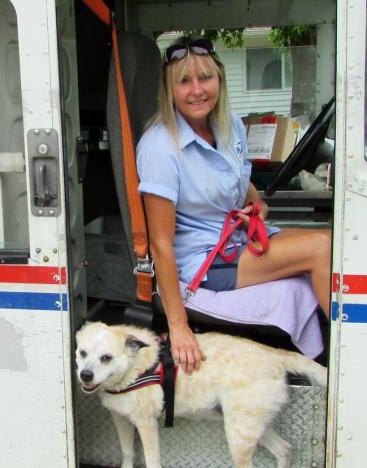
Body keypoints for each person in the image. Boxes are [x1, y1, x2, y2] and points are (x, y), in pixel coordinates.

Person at [136, 37, 332, 374]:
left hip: (237, 240)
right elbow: (161, 246)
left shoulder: (230, 126)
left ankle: (332, 347)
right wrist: (179, 327)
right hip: (205, 262)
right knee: (320, 247)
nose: (197, 90)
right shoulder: (159, 147)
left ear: (220, 80)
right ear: (169, 89)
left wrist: (255, 210)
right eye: (184, 81)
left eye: (205, 78)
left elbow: (245, 191)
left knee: (333, 240)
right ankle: (351, 354)